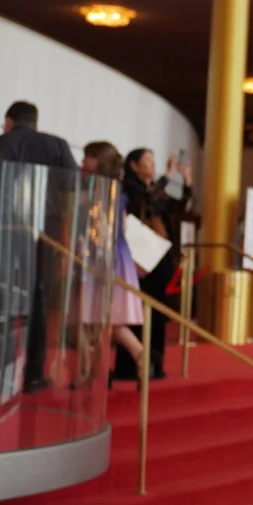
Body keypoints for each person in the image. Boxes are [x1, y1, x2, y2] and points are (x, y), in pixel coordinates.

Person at [0, 101, 77, 394]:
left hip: (1, 230)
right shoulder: (57, 146)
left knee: (3, 298)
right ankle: (34, 373)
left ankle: (4, 375)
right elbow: (75, 187)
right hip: (45, 234)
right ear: (35, 122)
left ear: (8, 121)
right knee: (38, 296)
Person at [112, 148, 191, 381]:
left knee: (155, 312)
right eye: (147, 160)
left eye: (153, 160)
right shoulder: (128, 187)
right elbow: (148, 201)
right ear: (134, 165)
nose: (152, 165)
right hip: (138, 259)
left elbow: (176, 207)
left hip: (156, 257)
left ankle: (153, 362)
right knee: (137, 311)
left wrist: (186, 183)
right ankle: (132, 365)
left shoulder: (152, 189)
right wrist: (166, 178)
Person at [79, 142, 145, 384]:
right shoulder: (117, 191)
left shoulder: (102, 190)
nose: (83, 162)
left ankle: (93, 370)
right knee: (98, 318)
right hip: (115, 255)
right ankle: (93, 371)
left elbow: (102, 230)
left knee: (97, 316)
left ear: (97, 160)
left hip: (104, 257)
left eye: (87, 157)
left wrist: (88, 247)